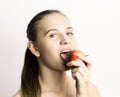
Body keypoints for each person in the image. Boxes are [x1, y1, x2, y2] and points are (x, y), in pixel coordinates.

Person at [13, 9, 101, 97]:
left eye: (69, 33)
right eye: (53, 35)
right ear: (35, 48)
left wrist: (82, 94)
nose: (66, 40)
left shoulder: (90, 90)